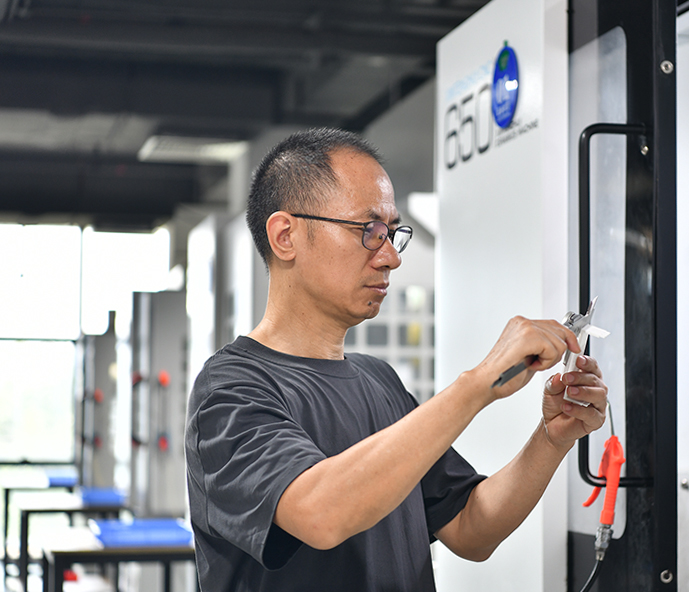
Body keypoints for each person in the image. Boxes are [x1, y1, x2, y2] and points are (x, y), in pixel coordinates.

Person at [185, 128, 608, 591]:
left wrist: (551, 438)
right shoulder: (230, 390)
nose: (390, 257)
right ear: (286, 236)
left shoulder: (378, 380)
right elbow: (321, 515)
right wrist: (478, 383)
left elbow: (471, 529)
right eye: (369, 231)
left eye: (391, 234)